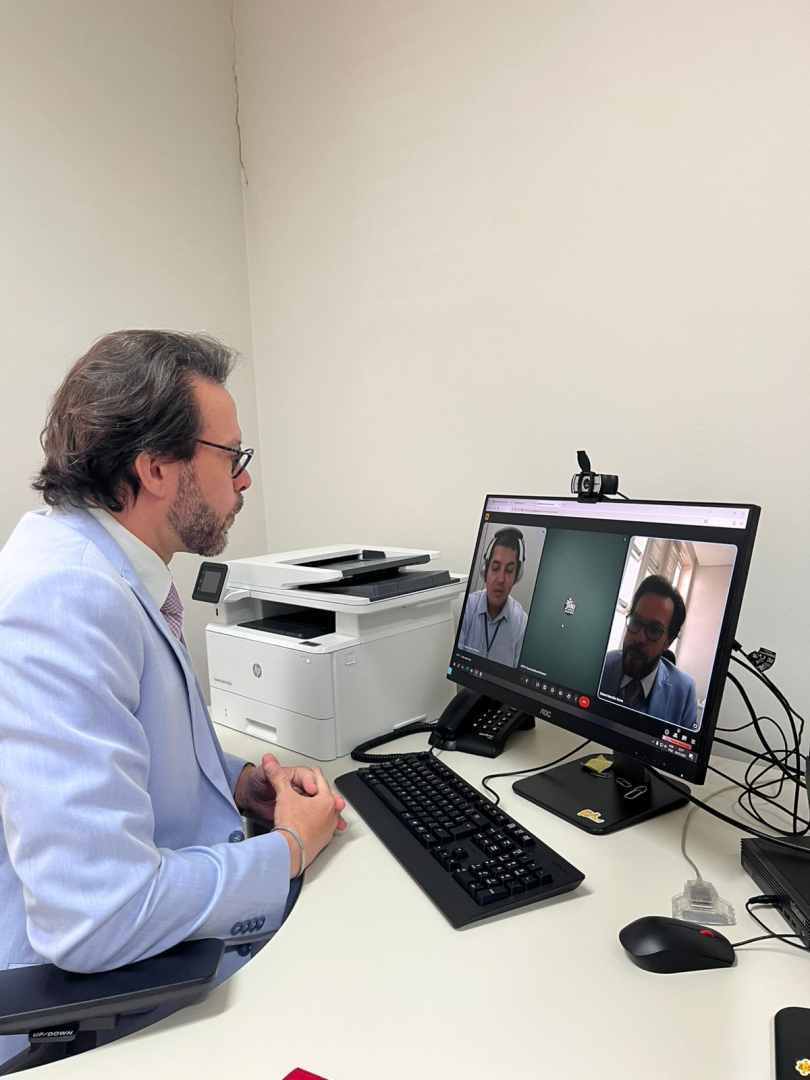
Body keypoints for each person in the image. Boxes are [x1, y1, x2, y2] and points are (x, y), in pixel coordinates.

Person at [0, 330, 346, 1067]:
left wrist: (240, 782)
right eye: (233, 458)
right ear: (156, 468)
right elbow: (97, 918)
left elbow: (134, 742)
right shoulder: (68, 598)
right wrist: (289, 848)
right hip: (102, 1010)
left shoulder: (100, 564)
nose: (244, 482)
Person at [599, 575, 698, 728]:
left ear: (668, 642)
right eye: (635, 621)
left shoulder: (684, 692)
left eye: (654, 630)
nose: (639, 637)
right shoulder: (600, 666)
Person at [458, 528, 528, 667]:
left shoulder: (521, 622)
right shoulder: (468, 607)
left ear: (517, 575)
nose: (501, 579)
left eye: (509, 570)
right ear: (485, 570)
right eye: (495, 568)